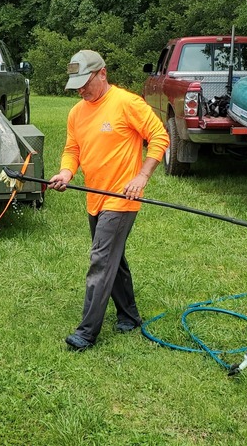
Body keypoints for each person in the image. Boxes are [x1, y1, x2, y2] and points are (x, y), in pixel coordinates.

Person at [48, 49, 170, 351]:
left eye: (85, 82)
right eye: (76, 83)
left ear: (102, 73)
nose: (80, 89)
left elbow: (160, 136)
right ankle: (129, 316)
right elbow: (72, 149)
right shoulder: (77, 112)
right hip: (95, 198)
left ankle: (87, 333)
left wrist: (141, 177)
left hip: (121, 198)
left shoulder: (126, 103)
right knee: (114, 258)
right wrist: (66, 172)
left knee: (101, 261)